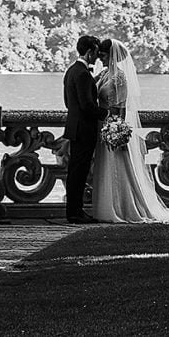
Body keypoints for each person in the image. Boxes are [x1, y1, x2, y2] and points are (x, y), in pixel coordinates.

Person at [91, 38, 169, 223]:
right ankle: (105, 207)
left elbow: (120, 108)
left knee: (117, 168)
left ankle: (122, 207)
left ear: (111, 56)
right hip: (102, 128)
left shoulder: (119, 78)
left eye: (103, 55)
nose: (100, 59)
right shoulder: (105, 74)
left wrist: (116, 131)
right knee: (104, 168)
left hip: (111, 128)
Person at [62, 34, 108, 224]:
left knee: (75, 171)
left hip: (75, 126)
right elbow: (87, 106)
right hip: (83, 129)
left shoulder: (71, 71)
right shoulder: (81, 74)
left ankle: (73, 210)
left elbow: (68, 102)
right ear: (89, 52)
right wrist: (105, 113)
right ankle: (75, 212)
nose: (97, 58)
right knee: (78, 173)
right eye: (96, 53)